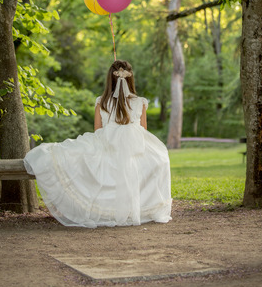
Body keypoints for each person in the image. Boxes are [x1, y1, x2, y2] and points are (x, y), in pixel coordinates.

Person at [24, 60, 172, 228]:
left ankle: (107, 210)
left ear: (110, 79)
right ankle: (141, 208)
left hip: (107, 143)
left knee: (89, 161)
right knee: (159, 158)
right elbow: (143, 129)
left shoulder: (101, 102)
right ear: (131, 79)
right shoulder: (140, 102)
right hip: (135, 146)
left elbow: (97, 129)